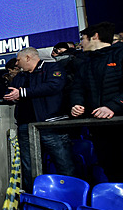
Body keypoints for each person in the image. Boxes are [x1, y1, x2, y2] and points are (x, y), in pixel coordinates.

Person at [4, 47, 75, 192]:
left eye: (18, 60)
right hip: (25, 126)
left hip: (50, 124)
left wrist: (23, 93)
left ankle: (71, 197)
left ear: (28, 58)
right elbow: (12, 92)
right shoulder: (20, 77)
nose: (17, 64)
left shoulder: (52, 67)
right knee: (29, 166)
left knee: (63, 163)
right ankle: (34, 199)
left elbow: (54, 86)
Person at [70, 22, 123, 182]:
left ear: (95, 36)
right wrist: (76, 104)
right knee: (111, 171)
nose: (81, 43)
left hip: (119, 125)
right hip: (100, 129)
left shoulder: (120, 55)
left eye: (83, 38)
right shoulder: (85, 64)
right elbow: (77, 89)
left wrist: (113, 106)